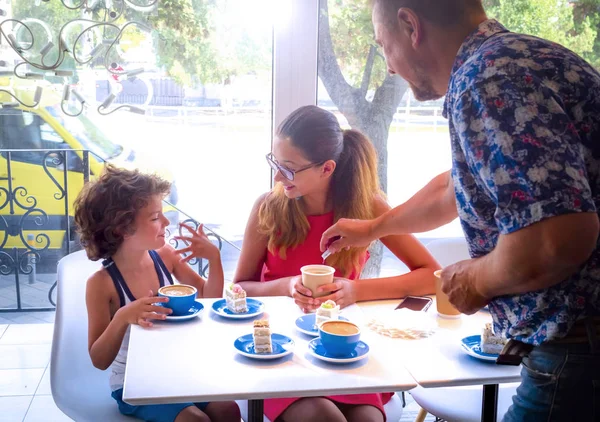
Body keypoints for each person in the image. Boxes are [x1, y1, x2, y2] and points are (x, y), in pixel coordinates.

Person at [320, 1, 600, 420]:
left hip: (579, 349)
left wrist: (476, 279)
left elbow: (556, 237)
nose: (390, 67)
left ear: (410, 25)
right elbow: (458, 187)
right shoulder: (520, 58)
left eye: (383, 46)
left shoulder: (488, 79)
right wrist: (373, 228)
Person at [234, 105, 439, 422]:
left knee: (367, 420)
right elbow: (239, 289)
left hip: (340, 347)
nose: (276, 175)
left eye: (288, 168)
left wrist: (355, 290)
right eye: (275, 162)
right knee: (323, 417)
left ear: (326, 169)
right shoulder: (268, 207)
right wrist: (287, 286)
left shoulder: (366, 208)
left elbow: (432, 276)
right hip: (278, 349)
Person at [74, 165, 240, 422]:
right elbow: (99, 359)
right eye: (154, 218)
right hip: (132, 383)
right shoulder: (101, 284)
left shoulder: (165, 256)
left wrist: (214, 259)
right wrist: (122, 317)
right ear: (122, 228)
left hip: (174, 372)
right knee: (194, 420)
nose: (165, 222)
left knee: (229, 410)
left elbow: (210, 301)